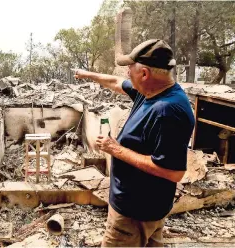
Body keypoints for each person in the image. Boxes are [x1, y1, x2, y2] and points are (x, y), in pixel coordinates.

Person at [74, 39, 195, 247]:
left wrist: (115, 149)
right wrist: (88, 75)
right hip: (139, 209)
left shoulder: (167, 111)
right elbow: (115, 83)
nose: (127, 74)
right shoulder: (149, 92)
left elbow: (173, 172)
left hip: (135, 216)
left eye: (130, 69)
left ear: (145, 73)